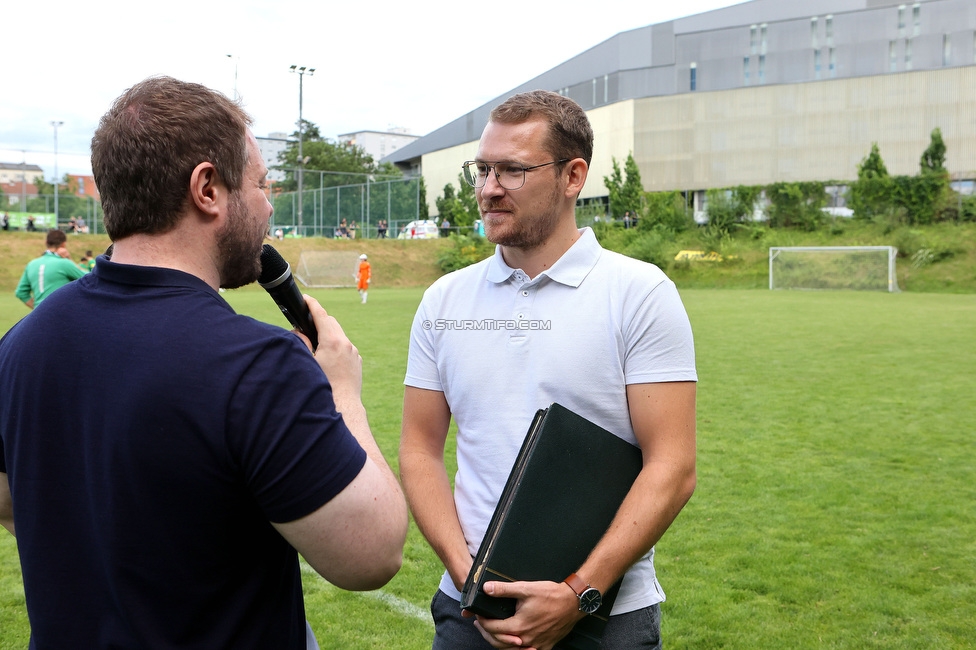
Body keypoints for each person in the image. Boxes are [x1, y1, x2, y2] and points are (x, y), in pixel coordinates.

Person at [0, 76, 407, 649]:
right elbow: (373, 554)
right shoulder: (258, 364)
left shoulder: (20, 344)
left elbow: (11, 502)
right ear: (208, 188)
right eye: (262, 184)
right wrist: (343, 389)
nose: (268, 205)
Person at [399, 90, 697, 650]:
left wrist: (579, 592)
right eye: (483, 169)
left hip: (604, 619)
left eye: (513, 171)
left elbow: (673, 467)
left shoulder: (640, 294)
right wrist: (468, 576)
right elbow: (418, 449)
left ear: (573, 176)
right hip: (470, 616)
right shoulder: (443, 301)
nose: (489, 188)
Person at [14, 228, 87, 309]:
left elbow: (20, 292)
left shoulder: (31, 264)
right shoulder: (64, 263)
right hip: (60, 314)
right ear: (63, 244)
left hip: (38, 318)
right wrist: (70, 259)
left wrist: (38, 308)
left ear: (46, 243)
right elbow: (90, 279)